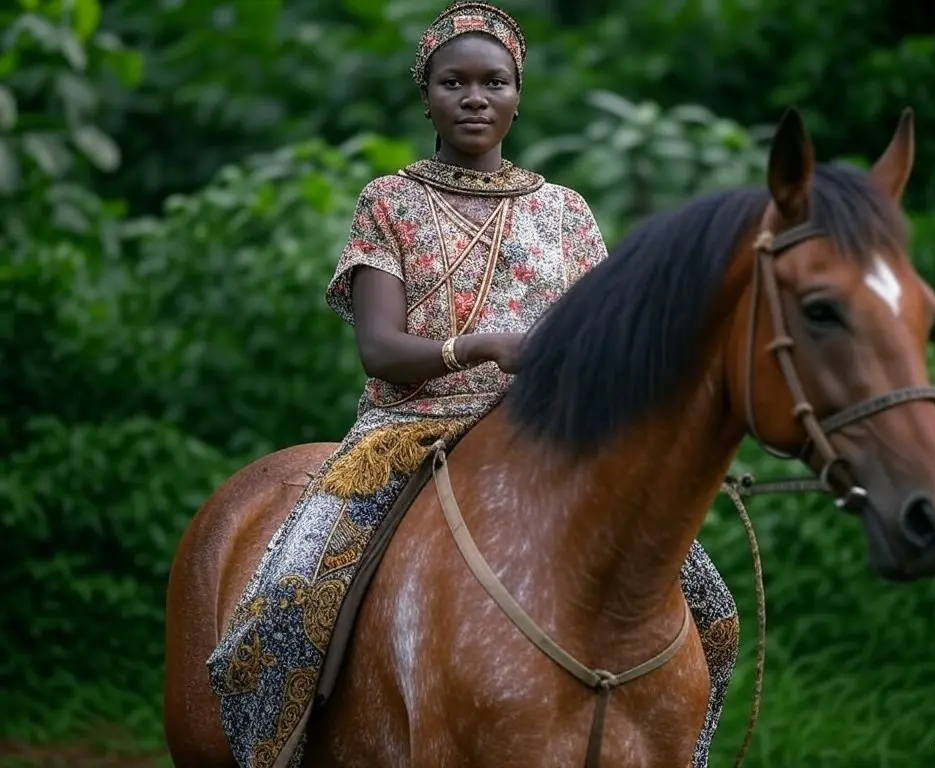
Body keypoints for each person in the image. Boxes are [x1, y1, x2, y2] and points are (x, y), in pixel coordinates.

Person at [206, 3, 739, 767]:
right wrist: (478, 345)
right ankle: (277, 750)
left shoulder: (565, 213)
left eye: (494, 82)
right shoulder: (388, 201)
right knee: (288, 600)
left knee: (710, 609)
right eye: (453, 82)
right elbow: (381, 349)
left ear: (519, 94)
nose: (474, 97)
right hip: (406, 429)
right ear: (426, 94)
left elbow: (602, 348)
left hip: (546, 438)